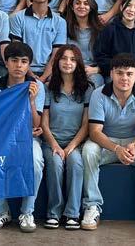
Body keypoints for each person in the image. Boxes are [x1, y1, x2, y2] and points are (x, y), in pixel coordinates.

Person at [81, 53, 135, 231]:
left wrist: (133, 145)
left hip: (134, 143)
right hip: (107, 142)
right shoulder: (98, 94)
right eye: (119, 73)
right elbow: (95, 132)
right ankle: (92, 206)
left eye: (129, 73)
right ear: (111, 74)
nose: (124, 78)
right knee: (88, 151)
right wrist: (117, 148)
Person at [0, 41, 46, 233]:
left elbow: (36, 124)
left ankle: (27, 212)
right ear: (6, 63)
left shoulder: (37, 86)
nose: (19, 65)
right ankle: (1, 211)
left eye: (24, 61)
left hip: (29, 139)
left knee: (36, 162)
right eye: (14, 60)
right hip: (2, 139)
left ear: (29, 65)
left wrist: (31, 101)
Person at [42, 45, 92, 230]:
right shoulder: (48, 88)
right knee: (55, 164)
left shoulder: (87, 88)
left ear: (78, 63)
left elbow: (86, 124)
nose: (68, 63)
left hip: (75, 142)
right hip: (51, 141)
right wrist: (55, 145)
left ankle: (72, 214)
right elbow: (44, 124)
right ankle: (53, 213)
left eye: (72, 59)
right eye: (64, 58)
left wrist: (71, 146)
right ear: (57, 62)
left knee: (76, 163)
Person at [93, 0, 135, 94]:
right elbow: (101, 56)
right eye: (128, 5)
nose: (131, 10)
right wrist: (117, 70)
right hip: (117, 74)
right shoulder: (110, 29)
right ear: (122, 7)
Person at [10, 0, 66, 82]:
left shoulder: (60, 22)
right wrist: (30, 75)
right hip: (23, 71)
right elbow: (17, 49)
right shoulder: (17, 18)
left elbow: (56, 54)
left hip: (51, 73)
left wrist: (44, 77)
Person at [64, 0, 104, 87]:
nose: (81, 6)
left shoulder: (101, 30)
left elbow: (108, 57)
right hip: (69, 68)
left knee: (94, 81)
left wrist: (97, 69)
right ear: (72, 7)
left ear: (91, 7)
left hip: (92, 71)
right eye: (77, 3)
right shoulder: (64, 27)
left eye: (86, 3)